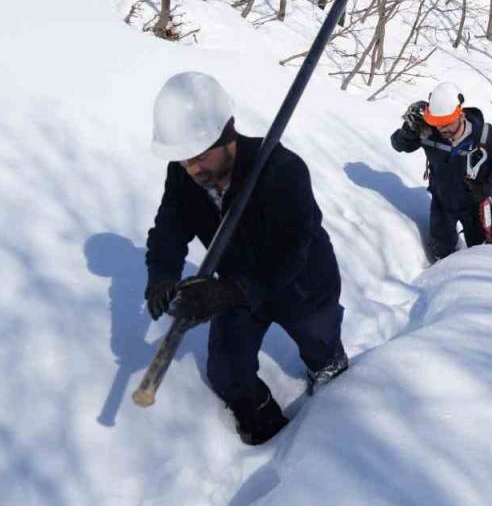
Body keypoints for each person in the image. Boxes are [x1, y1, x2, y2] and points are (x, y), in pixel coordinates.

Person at [143, 72, 348, 446]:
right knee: (226, 371)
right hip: (234, 285)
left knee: (320, 344)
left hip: (302, 284)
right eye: (184, 159)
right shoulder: (183, 174)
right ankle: (265, 425)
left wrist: (232, 292)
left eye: (201, 156)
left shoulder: (282, 169)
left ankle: (330, 377)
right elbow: (169, 229)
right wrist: (161, 275)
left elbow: (292, 251)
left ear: (228, 133)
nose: (193, 169)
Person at [391, 81, 492, 260]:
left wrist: (488, 187)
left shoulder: (482, 136)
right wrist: (407, 133)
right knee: (441, 251)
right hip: (442, 203)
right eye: (437, 123)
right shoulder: (428, 131)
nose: (441, 129)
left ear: (460, 114)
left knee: (481, 253)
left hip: (476, 205)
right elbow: (398, 145)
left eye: (446, 123)